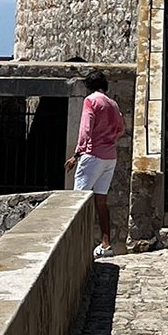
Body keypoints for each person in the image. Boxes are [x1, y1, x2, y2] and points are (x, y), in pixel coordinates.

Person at [67, 71, 125, 257]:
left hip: (93, 155)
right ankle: (106, 244)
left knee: (78, 200)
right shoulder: (113, 104)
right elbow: (120, 129)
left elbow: (85, 128)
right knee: (101, 202)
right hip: (110, 157)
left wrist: (76, 154)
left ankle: (76, 246)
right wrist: (108, 140)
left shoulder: (91, 101)